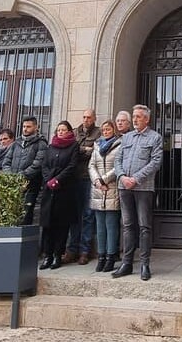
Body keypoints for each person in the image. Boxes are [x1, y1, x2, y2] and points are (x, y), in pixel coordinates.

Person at [111, 104, 162, 281]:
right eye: (134, 116)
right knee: (127, 225)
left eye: (139, 116)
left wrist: (136, 178)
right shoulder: (126, 138)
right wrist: (123, 176)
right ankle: (126, 263)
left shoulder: (155, 138)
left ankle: (145, 264)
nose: (135, 119)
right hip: (124, 187)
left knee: (144, 226)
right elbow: (117, 160)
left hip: (143, 188)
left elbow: (155, 162)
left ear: (146, 119)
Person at [38, 121, 81, 270]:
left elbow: (72, 166)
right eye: (59, 130)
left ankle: (57, 255)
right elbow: (44, 165)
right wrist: (48, 180)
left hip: (64, 190)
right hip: (49, 190)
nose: (61, 132)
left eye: (64, 130)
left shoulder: (73, 146)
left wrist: (58, 180)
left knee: (62, 226)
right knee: (48, 226)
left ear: (69, 131)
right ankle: (47, 256)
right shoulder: (51, 147)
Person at [65, 109, 101, 265]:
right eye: (84, 117)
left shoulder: (99, 133)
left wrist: (84, 151)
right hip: (74, 178)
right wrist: (83, 150)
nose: (86, 119)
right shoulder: (74, 132)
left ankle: (85, 251)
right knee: (74, 215)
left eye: (89, 117)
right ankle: (72, 249)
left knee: (87, 215)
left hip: (88, 178)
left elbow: (96, 152)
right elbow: (70, 150)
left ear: (94, 118)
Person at [1, 116, 48, 225]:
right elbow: (6, 161)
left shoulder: (41, 143)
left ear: (36, 127)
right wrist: (10, 175)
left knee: (26, 213)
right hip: (12, 183)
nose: (25, 129)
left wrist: (22, 176)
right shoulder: (16, 143)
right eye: (24, 126)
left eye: (28, 126)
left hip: (30, 184)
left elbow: (37, 164)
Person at [89, 120, 122, 272]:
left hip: (112, 188)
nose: (106, 131)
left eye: (109, 129)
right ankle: (100, 256)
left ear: (114, 130)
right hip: (98, 189)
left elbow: (119, 166)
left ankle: (110, 257)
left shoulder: (120, 144)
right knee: (100, 227)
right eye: (104, 129)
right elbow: (91, 165)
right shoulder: (96, 145)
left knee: (111, 226)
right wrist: (97, 181)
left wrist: (104, 179)